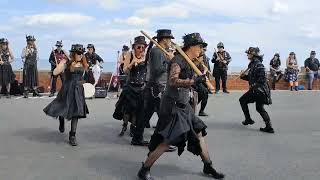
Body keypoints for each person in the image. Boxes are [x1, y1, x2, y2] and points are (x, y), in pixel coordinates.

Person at [137, 33, 224, 180]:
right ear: (191, 46)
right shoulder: (178, 61)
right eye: (199, 47)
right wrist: (193, 81)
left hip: (184, 105)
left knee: (199, 133)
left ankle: (208, 165)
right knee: (167, 141)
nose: (201, 50)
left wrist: (200, 74)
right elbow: (172, 81)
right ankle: (144, 169)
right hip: (173, 106)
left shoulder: (189, 61)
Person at [43, 44, 89, 146]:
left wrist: (83, 84)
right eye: (78, 53)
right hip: (67, 88)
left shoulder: (83, 63)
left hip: (78, 89)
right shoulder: (66, 62)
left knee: (76, 112)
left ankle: (72, 135)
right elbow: (55, 72)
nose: (81, 55)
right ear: (73, 53)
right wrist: (63, 64)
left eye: (82, 53)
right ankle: (61, 118)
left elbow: (85, 76)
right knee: (63, 107)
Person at [113, 36, 148, 146]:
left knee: (137, 111)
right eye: (139, 47)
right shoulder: (130, 55)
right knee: (128, 109)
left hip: (141, 87)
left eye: (143, 47)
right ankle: (124, 126)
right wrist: (133, 63)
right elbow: (125, 70)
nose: (141, 49)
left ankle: (133, 127)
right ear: (134, 47)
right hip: (130, 86)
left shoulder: (146, 56)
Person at [239, 47, 274, 133]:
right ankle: (269, 127)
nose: (247, 55)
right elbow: (252, 78)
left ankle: (248, 120)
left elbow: (262, 79)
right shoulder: (253, 64)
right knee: (259, 108)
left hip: (259, 91)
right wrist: (243, 76)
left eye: (248, 53)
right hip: (258, 90)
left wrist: (254, 88)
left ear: (253, 54)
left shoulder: (259, 65)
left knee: (242, 100)